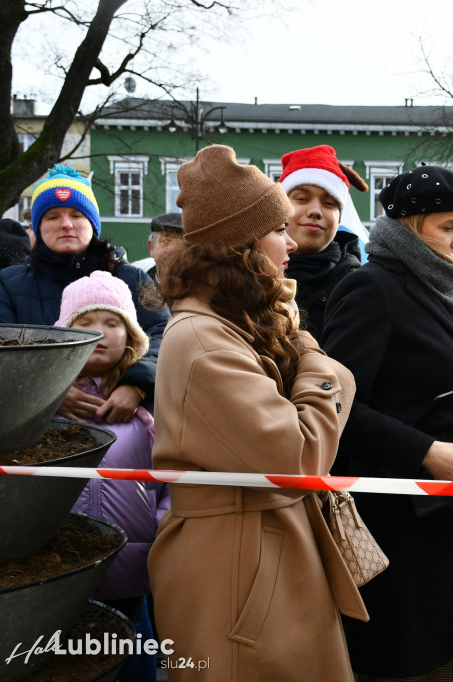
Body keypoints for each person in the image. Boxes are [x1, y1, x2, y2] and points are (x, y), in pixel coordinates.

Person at [147, 145, 366, 680]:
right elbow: (299, 457)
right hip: (239, 573)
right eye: (278, 230)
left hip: (255, 554)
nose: (292, 242)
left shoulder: (228, 323)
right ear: (242, 244)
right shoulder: (204, 338)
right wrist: (311, 353)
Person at [321, 165, 453, 682]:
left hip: (448, 513)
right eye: (446, 227)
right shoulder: (371, 287)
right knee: (412, 661)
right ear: (410, 227)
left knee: (450, 656)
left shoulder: (438, 287)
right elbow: (335, 406)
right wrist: (421, 448)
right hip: (403, 522)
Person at [56, 271, 168, 682]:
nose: (99, 333)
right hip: (59, 561)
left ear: (131, 334)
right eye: (84, 323)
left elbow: (170, 478)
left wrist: (162, 530)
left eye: (111, 322)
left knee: (133, 646)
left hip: (130, 563)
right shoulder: (41, 400)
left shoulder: (153, 404)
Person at [0, 164, 167, 425]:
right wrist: (45, 391)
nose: (66, 225)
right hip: (35, 432)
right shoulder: (5, 285)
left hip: (123, 426)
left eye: (76, 214)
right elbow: (0, 354)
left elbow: (164, 335)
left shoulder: (133, 280)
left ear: (92, 223)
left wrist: (137, 386)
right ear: (38, 227)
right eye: (52, 216)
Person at [279, 145, 368, 338]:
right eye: (302, 198)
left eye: (329, 203)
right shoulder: (246, 280)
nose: (316, 211)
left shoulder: (360, 291)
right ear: (279, 207)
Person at [131, 212, 184, 283]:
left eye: (182, 243)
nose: (173, 249)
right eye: (166, 241)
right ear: (151, 247)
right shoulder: (134, 282)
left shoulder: (202, 287)